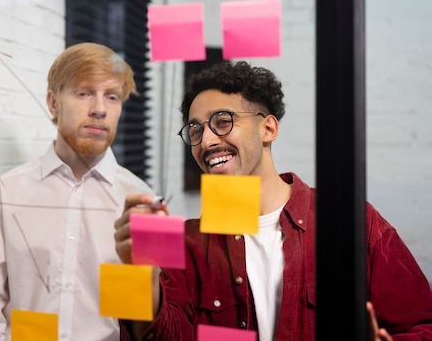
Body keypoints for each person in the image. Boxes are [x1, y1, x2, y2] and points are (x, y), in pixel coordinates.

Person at [113, 60, 432, 341]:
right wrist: (140, 274)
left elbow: (422, 325)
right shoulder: (187, 241)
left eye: (222, 121)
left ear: (268, 128)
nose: (206, 140)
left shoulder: (346, 220)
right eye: (195, 130)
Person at [0, 42, 154, 341]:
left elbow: (149, 320)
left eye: (112, 97)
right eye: (84, 92)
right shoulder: (3, 194)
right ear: (53, 103)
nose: (99, 109)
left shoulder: (139, 200)